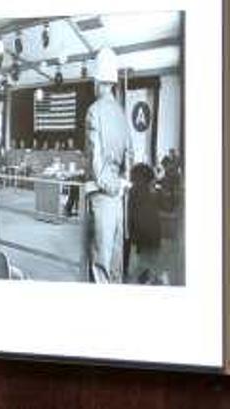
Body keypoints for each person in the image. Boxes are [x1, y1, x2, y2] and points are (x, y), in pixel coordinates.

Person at [84, 47, 132, 283]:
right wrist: (121, 185)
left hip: (103, 196)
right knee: (116, 263)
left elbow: (95, 161)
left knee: (100, 264)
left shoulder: (94, 111)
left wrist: (110, 187)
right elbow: (130, 156)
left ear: (97, 81)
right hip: (120, 198)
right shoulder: (122, 113)